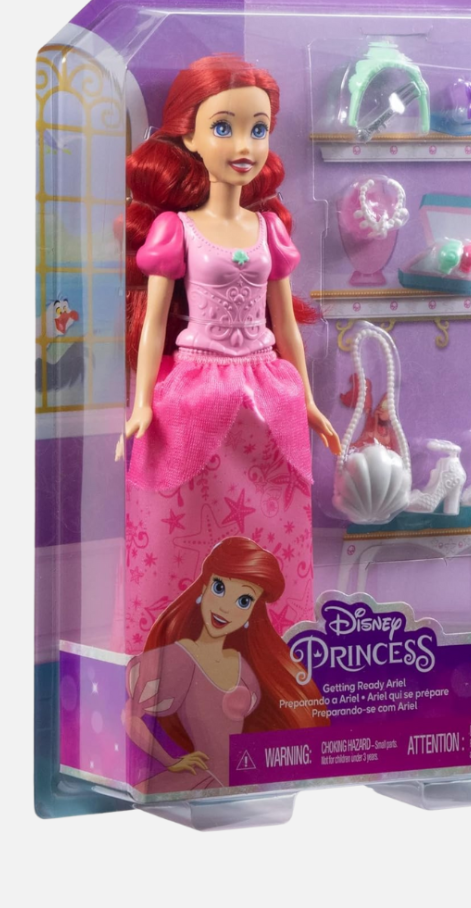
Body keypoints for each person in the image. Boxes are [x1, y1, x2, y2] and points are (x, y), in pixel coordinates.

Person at [113, 54, 339, 652]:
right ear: (188, 136)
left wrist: (310, 403)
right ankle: (172, 655)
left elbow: (285, 326)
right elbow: (155, 324)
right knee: (185, 525)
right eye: (224, 127)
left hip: (269, 394)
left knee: (270, 528)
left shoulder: (270, 232)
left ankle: (271, 659)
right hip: (195, 391)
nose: (244, 145)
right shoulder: (177, 229)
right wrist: (142, 405)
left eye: (258, 129)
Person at [121, 537, 328, 792]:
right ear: (204, 588)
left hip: (240, 781)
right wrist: (171, 761)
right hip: (203, 782)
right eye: (219, 588)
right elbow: (130, 716)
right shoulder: (182, 658)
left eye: (244, 601)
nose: (225, 608)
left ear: (252, 611)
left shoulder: (244, 668)